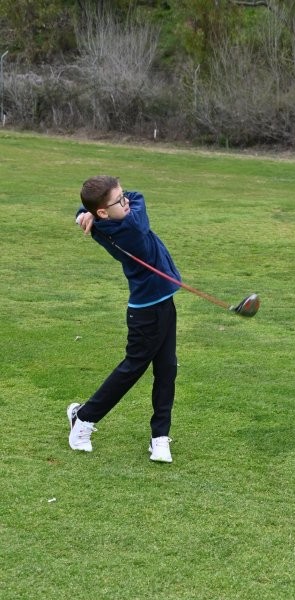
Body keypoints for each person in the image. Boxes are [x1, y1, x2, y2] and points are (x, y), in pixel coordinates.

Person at [68, 175, 181, 463]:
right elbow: (139, 195)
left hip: (161, 303)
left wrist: (83, 214)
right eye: (119, 200)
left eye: (123, 196)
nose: (127, 201)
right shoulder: (132, 226)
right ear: (103, 212)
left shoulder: (102, 223)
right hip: (147, 313)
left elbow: (105, 204)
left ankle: (159, 437)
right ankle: (83, 418)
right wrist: (88, 213)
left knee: (167, 369)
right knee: (132, 369)